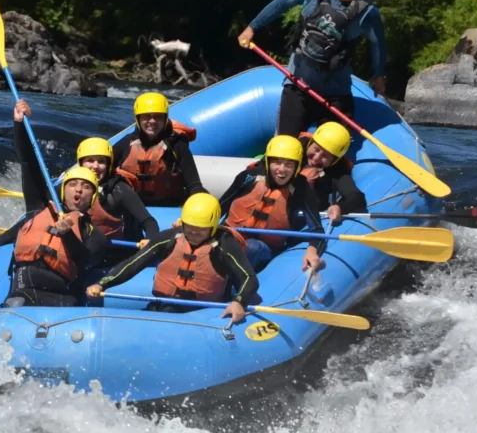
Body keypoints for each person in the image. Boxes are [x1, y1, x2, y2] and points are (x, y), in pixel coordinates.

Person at [237, 0, 387, 137]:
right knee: (286, 147)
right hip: (298, 85)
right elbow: (281, 4)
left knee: (329, 155)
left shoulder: (368, 12)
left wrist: (379, 75)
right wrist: (252, 27)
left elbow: (378, 44)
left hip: (337, 93)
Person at [0, 100, 108, 307]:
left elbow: (85, 260)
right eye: (73, 184)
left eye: (85, 187)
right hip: (24, 293)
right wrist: (20, 124)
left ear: (92, 196)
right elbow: (28, 163)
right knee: (16, 303)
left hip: (62, 300)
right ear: (63, 189)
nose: (78, 190)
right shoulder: (39, 208)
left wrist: (67, 234)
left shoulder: (94, 235)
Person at [86, 193, 256, 326]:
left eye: (201, 229)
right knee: (166, 311)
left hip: (206, 312)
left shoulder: (225, 245)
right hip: (167, 305)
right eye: (190, 227)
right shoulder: (170, 238)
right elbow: (134, 263)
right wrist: (103, 283)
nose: (194, 233)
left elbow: (248, 277)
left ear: (212, 228)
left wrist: (239, 301)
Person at [220, 135, 325, 273]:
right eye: (276, 162)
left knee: (252, 247)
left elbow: (317, 230)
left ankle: (234, 288)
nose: (281, 169)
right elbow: (219, 208)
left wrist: (312, 250)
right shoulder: (249, 176)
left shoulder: (302, 188)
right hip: (231, 236)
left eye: (289, 164)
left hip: (264, 248)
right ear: (268, 162)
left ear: (297, 166)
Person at [113, 91, 205, 206]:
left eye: (158, 117)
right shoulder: (126, 143)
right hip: (133, 206)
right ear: (138, 119)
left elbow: (194, 184)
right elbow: (103, 169)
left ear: (165, 119)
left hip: (170, 206)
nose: (152, 121)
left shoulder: (177, 144)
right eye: (146, 116)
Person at [75, 136, 160, 245]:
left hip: (118, 249)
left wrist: (150, 241)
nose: (95, 166)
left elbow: (149, 222)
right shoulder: (71, 186)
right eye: (90, 161)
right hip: (87, 247)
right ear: (81, 163)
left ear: (108, 165)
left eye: (101, 161)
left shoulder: (119, 189)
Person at [299, 122, 366, 225]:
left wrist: (339, 207)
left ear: (334, 160)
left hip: (309, 210)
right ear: (311, 142)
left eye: (325, 156)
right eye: (316, 149)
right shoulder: (297, 145)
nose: (316, 158)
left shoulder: (338, 170)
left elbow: (357, 198)